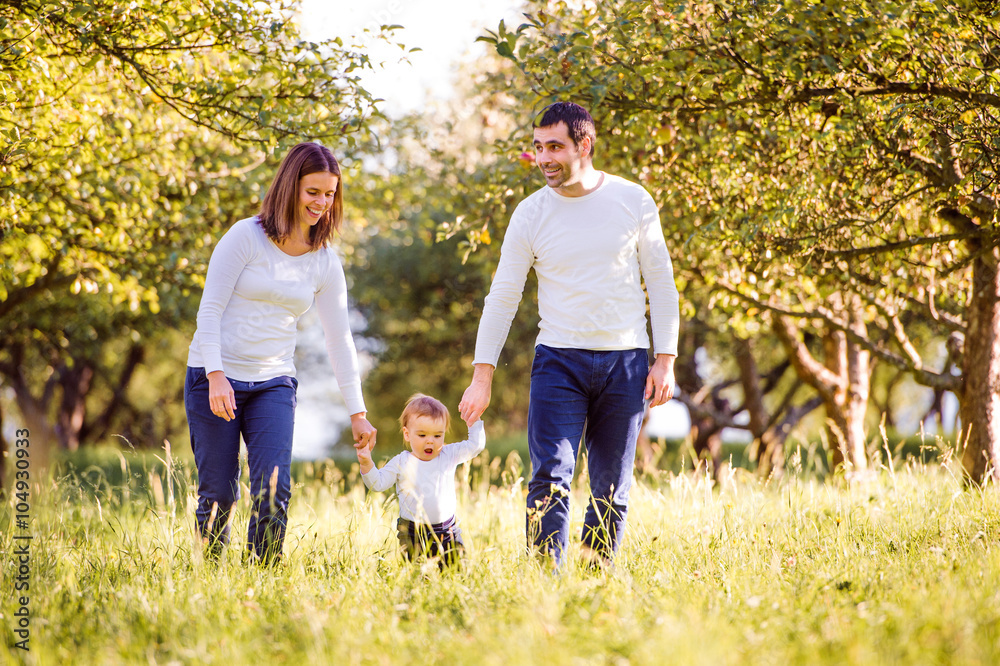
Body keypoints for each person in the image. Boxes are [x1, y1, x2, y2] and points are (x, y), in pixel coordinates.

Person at [458, 102, 680, 567]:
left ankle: (595, 581)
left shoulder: (632, 200)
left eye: (554, 147)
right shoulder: (530, 214)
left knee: (611, 485)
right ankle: (546, 585)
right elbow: (502, 297)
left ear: (585, 144)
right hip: (559, 361)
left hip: (626, 363)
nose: (544, 158)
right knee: (549, 477)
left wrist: (665, 360)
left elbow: (660, 281)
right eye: (538, 148)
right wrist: (483, 375)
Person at [184, 142, 377, 564]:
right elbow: (210, 309)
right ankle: (209, 574)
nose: (321, 203)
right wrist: (216, 375)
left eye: (329, 194)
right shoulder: (245, 237)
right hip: (214, 376)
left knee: (274, 485)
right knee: (218, 489)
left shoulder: (324, 261)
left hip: (273, 381)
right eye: (313, 192)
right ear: (291, 187)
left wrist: (357, 412)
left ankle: (262, 575)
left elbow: (339, 337)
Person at [356, 394, 486, 566]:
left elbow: (475, 446)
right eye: (422, 435)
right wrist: (367, 463)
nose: (430, 441)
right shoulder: (402, 461)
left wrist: (474, 421)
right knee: (416, 575)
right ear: (407, 434)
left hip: (448, 531)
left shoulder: (449, 455)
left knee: (457, 571)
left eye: (438, 436)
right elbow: (377, 484)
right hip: (412, 533)